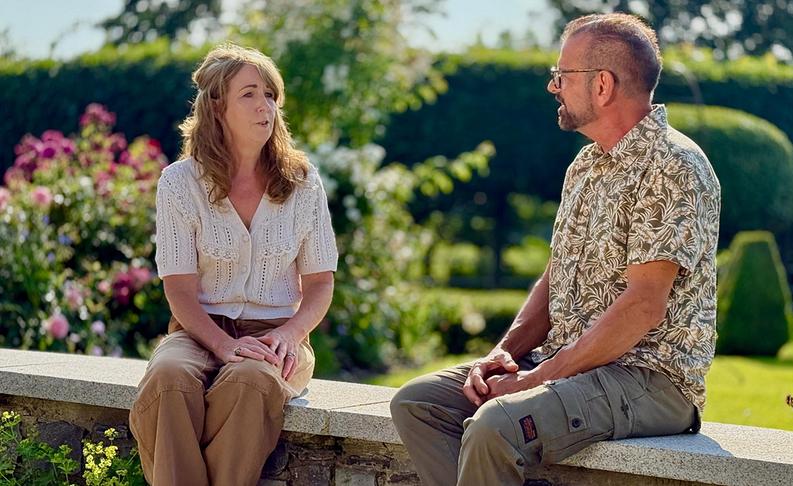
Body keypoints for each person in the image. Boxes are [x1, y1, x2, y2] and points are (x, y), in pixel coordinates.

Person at [390, 13, 721, 486]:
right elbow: (556, 275)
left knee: (495, 426)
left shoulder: (674, 166)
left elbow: (642, 306)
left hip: (649, 379)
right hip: (570, 362)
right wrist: (503, 354)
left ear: (602, 85)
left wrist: (535, 379)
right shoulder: (585, 166)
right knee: (417, 403)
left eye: (561, 75)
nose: (553, 86)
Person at [129, 44, 338, 486]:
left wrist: (288, 334)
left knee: (248, 382)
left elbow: (320, 283)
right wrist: (222, 346)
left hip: (276, 335)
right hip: (197, 330)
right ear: (217, 106)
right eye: (249, 94)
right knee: (168, 378)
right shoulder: (179, 183)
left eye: (270, 94)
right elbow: (180, 290)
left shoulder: (303, 182)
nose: (266, 106)